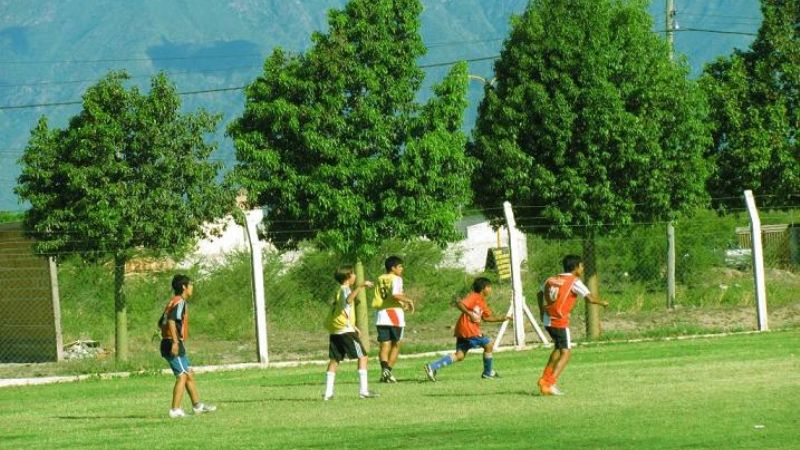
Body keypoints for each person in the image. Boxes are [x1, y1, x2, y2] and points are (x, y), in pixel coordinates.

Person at [536, 255, 609, 396]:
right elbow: (590, 299)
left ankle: (544, 378)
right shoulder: (574, 281)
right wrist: (602, 303)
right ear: (576, 268)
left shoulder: (551, 279)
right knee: (566, 352)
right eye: (581, 266)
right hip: (559, 320)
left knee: (558, 348)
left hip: (548, 319)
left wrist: (541, 310)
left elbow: (539, 293)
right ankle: (549, 383)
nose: (582, 269)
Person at [423, 277, 510, 381]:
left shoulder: (482, 302)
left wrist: (502, 318)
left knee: (459, 355)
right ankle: (487, 372)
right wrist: (469, 313)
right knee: (488, 345)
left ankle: (432, 367)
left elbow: (486, 317)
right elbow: (460, 304)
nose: (491, 289)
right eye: (489, 287)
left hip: (463, 330)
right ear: (483, 288)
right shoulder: (474, 297)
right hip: (469, 329)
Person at [159, 274, 217, 418]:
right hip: (173, 343)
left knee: (188, 374)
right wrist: (175, 341)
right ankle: (175, 410)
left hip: (172, 341)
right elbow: (171, 321)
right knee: (182, 376)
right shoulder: (180, 302)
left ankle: (198, 406)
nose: (192, 288)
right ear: (184, 287)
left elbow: (161, 322)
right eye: (191, 285)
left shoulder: (173, 301)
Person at [323, 266, 379, 400]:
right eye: (353, 274)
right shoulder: (345, 289)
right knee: (363, 356)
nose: (355, 276)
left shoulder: (339, 290)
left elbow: (342, 310)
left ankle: (328, 393)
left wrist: (353, 326)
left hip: (337, 330)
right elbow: (348, 300)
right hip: (345, 332)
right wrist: (361, 286)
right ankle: (364, 391)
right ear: (347, 277)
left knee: (334, 360)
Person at [373, 255, 415, 383]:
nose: (402, 269)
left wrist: (402, 304)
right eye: (400, 266)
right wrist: (409, 301)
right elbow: (395, 295)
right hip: (394, 316)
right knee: (396, 344)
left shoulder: (380, 278)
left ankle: (384, 372)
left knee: (384, 345)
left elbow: (386, 296)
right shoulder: (396, 278)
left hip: (380, 314)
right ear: (393, 268)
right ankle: (388, 371)